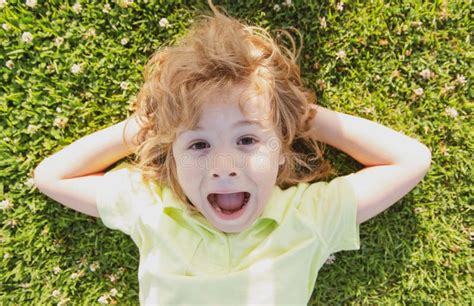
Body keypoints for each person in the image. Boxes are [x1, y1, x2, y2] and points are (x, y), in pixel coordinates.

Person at [34, 1, 432, 304]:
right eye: (199, 144)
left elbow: (411, 160)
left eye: (247, 140)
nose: (224, 167)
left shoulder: (307, 217)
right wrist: (146, 127)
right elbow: (51, 177)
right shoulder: (152, 206)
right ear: (170, 155)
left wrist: (298, 116)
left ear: (282, 150)